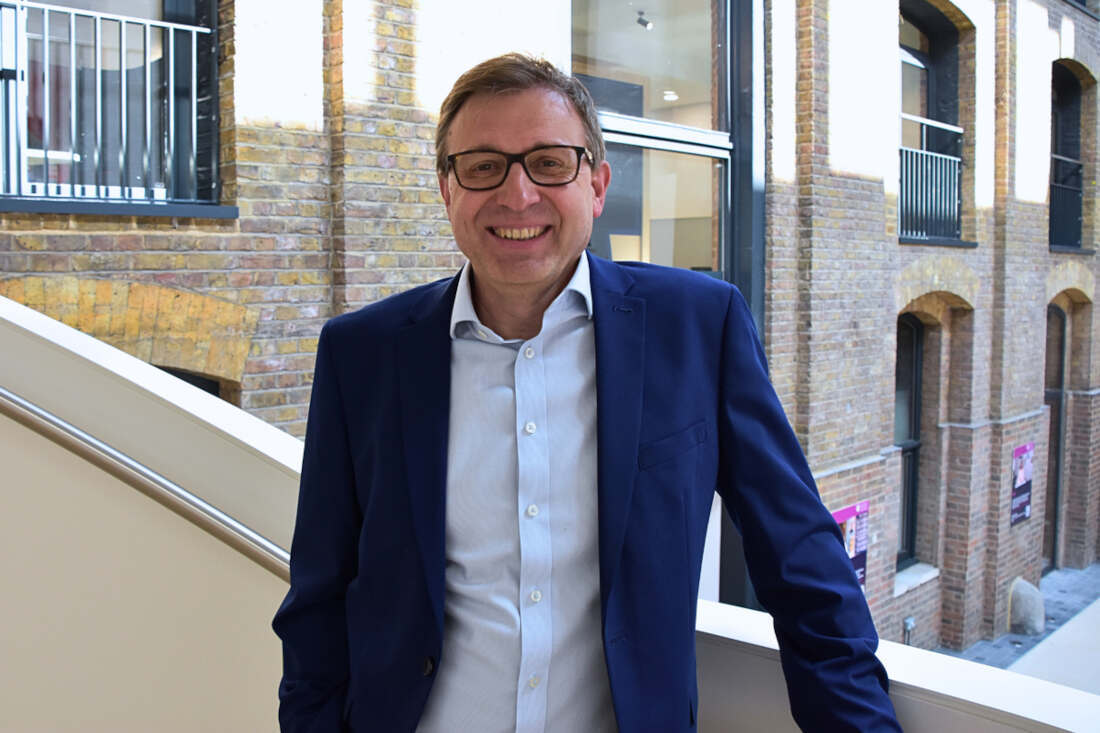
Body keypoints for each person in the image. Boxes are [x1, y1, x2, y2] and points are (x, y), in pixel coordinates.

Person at [273, 53, 901, 733]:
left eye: (550, 163)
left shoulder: (697, 328)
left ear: (597, 185)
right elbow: (319, 597)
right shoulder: (362, 354)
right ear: (447, 189)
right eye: (483, 166)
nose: (518, 195)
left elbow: (799, 555)